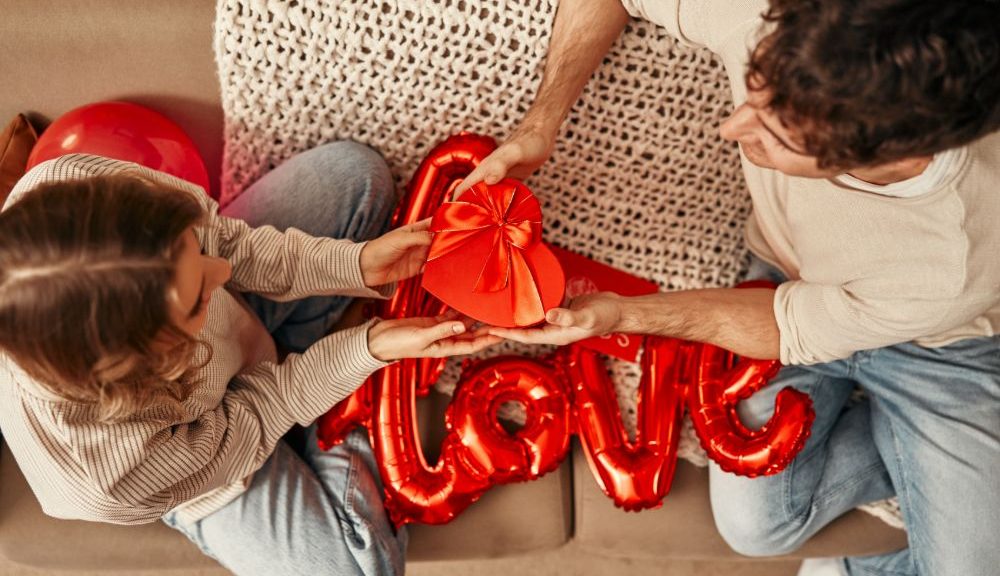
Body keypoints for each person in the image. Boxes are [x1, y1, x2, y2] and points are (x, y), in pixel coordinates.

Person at [467, 1, 1000, 575]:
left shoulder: (953, 258)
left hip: (945, 347)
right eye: (756, 87)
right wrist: (539, 125)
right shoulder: (793, 22)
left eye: (777, 136)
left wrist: (626, 315)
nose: (732, 127)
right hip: (789, 280)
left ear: (892, 157)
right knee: (757, 528)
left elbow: (780, 327)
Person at [0, 144, 499, 576]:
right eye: (197, 298)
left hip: (239, 342)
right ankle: (345, 399)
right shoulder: (110, 477)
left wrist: (355, 265)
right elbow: (259, 413)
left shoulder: (66, 185)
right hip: (209, 459)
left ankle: (320, 355)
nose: (220, 272)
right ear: (148, 360)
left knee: (357, 176)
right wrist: (363, 347)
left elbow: (227, 248)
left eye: (191, 248)